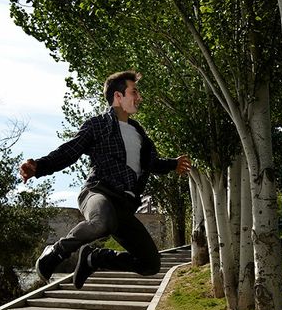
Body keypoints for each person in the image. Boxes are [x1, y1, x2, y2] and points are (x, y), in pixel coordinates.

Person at [19, 70, 191, 289]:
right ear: (118, 96)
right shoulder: (98, 125)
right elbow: (69, 151)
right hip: (98, 192)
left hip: (124, 206)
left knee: (150, 264)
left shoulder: (140, 134)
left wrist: (173, 163)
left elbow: (152, 164)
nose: (139, 97)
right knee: (101, 221)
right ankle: (55, 252)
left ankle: (95, 258)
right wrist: (39, 166)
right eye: (134, 92)